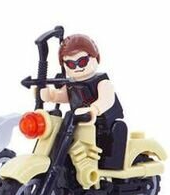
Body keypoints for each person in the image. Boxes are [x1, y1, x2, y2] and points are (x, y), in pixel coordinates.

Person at [40, 33, 127, 169]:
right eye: (70, 64)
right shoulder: (71, 84)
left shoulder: (102, 83)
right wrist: (49, 94)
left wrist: (94, 109)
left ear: (95, 58)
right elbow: (61, 96)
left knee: (113, 137)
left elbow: (106, 99)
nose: (77, 67)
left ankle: (104, 168)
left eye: (82, 61)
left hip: (103, 124)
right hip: (78, 122)